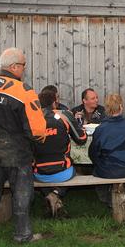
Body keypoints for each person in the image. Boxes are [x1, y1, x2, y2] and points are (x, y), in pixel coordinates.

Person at [0, 47, 47, 243]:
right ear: (14, 66)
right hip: (17, 153)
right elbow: (37, 130)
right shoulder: (24, 91)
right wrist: (40, 141)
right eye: (23, 65)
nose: (24, 70)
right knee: (22, 194)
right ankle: (22, 234)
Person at [33, 86, 87, 217]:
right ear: (54, 102)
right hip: (63, 172)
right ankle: (56, 194)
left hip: (38, 173)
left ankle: (48, 195)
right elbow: (81, 139)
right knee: (77, 170)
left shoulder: (32, 119)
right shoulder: (64, 115)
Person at [89, 94, 125, 179]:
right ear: (121, 107)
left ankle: (105, 191)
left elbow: (93, 153)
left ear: (106, 109)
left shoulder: (101, 129)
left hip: (107, 171)